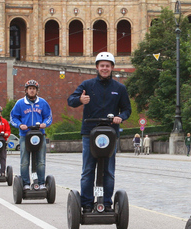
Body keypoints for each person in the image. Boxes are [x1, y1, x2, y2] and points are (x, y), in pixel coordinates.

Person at [67, 52, 132, 213]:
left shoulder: (119, 88)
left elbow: (127, 110)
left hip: (110, 134)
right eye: (102, 65)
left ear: (112, 68)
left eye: (107, 66)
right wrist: (80, 100)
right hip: (90, 133)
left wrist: (120, 117)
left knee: (108, 171)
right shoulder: (87, 85)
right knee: (88, 169)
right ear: (97, 67)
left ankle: (107, 203)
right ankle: (87, 203)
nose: (104, 68)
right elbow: (71, 100)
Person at [10, 80, 52, 189]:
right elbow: (13, 117)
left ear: (37, 91)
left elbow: (48, 117)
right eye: (30, 88)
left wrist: (44, 124)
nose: (32, 90)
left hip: (39, 135)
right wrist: (20, 125)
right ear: (26, 90)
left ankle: (41, 182)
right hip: (25, 135)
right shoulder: (20, 103)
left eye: (34, 89)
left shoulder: (42, 103)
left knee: (41, 161)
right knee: (24, 161)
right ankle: (26, 184)